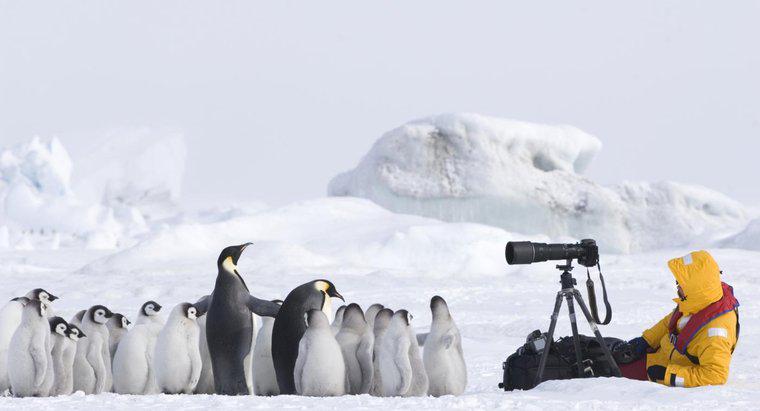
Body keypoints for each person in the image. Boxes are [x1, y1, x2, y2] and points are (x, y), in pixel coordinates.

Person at [620, 250, 740, 387]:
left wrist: (667, 375)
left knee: (607, 368)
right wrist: (646, 341)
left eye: (681, 282)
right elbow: (669, 322)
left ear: (696, 287)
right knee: (604, 351)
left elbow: (715, 375)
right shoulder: (699, 301)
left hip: (665, 368)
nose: (677, 285)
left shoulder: (716, 332)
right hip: (660, 354)